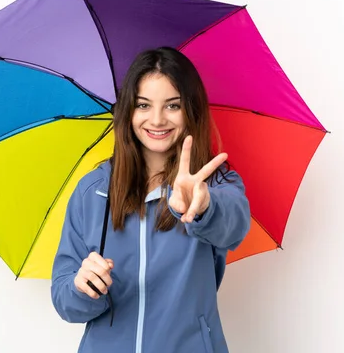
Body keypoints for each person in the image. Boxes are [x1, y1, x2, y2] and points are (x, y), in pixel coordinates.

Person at [50, 46, 251, 353]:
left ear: (191, 110)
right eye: (143, 105)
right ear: (128, 110)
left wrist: (204, 206)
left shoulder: (213, 183)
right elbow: (65, 301)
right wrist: (83, 288)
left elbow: (235, 226)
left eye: (173, 106)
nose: (157, 120)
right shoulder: (93, 191)